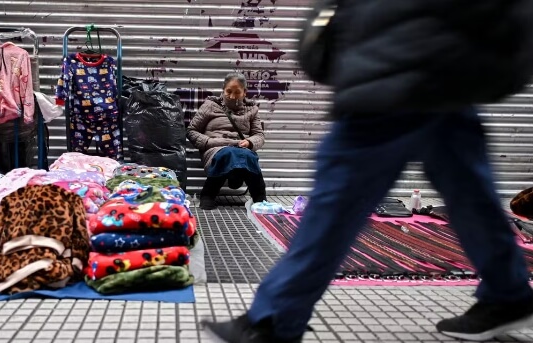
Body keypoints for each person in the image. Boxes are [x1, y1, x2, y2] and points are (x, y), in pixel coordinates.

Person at [201, 1, 533, 342]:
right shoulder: (211, 107)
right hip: (442, 81)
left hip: (388, 82)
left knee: (333, 207)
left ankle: (272, 319)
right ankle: (508, 294)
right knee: (471, 197)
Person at [187, 73, 267, 210]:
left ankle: (260, 199)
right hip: (215, 149)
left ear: (245, 92)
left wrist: (249, 142)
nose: (232, 96)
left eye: (237, 92)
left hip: (241, 149)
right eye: (229, 92)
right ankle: (208, 194)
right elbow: (191, 130)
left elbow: (259, 135)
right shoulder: (210, 105)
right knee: (227, 153)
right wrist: (208, 142)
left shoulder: (252, 110)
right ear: (223, 90)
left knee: (248, 156)